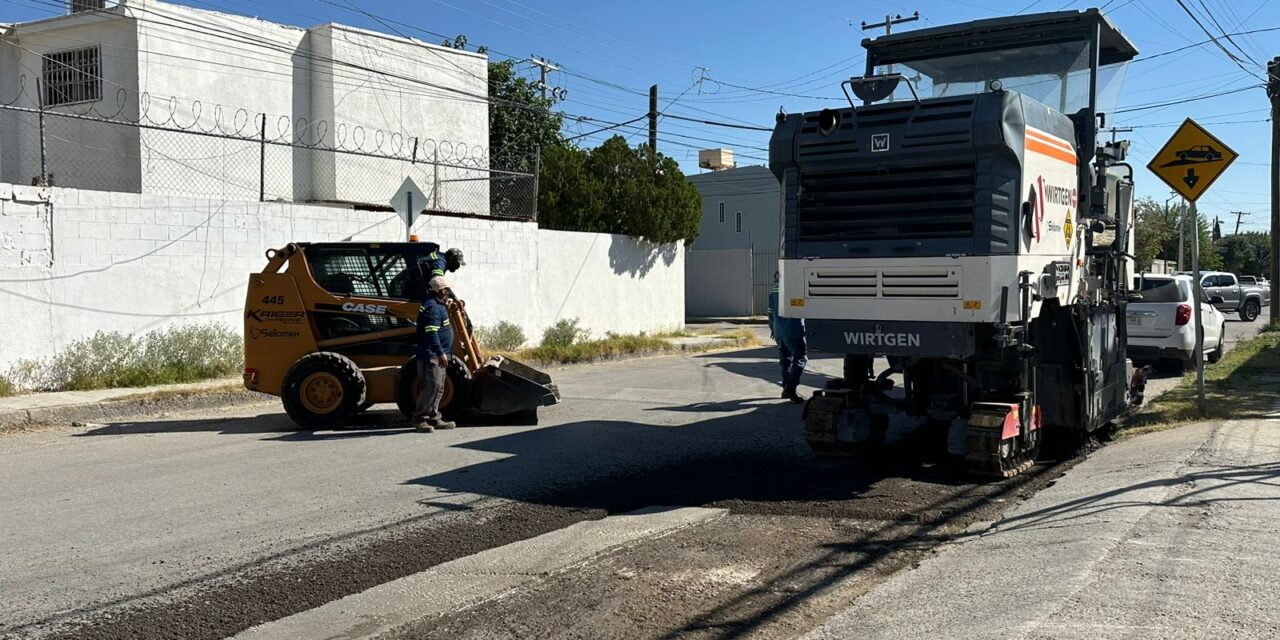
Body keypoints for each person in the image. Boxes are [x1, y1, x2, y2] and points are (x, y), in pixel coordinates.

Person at [413, 276, 458, 433]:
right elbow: (431, 332)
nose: (449, 293)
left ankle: (434, 418)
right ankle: (420, 419)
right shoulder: (433, 307)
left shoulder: (436, 304)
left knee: (438, 387)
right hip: (432, 355)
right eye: (447, 290)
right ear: (441, 291)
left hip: (436, 355)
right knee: (431, 386)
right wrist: (440, 353)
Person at [768, 272, 807, 404]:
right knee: (800, 359)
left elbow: (770, 313)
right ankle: (791, 388)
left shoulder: (773, 290)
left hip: (779, 331)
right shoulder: (794, 289)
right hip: (793, 329)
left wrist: (773, 330)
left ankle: (785, 388)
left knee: (786, 361)